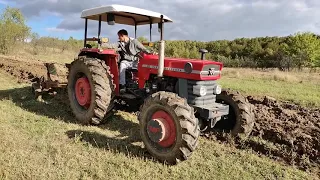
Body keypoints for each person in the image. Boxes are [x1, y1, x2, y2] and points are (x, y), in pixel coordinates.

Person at [117, 29, 151, 93]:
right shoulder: (120, 43)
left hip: (134, 61)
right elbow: (113, 46)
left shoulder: (134, 41)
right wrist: (103, 45)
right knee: (122, 66)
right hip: (126, 61)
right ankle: (122, 85)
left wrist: (150, 53)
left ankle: (143, 86)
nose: (118, 38)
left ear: (122, 35)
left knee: (144, 68)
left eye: (119, 36)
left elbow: (142, 48)